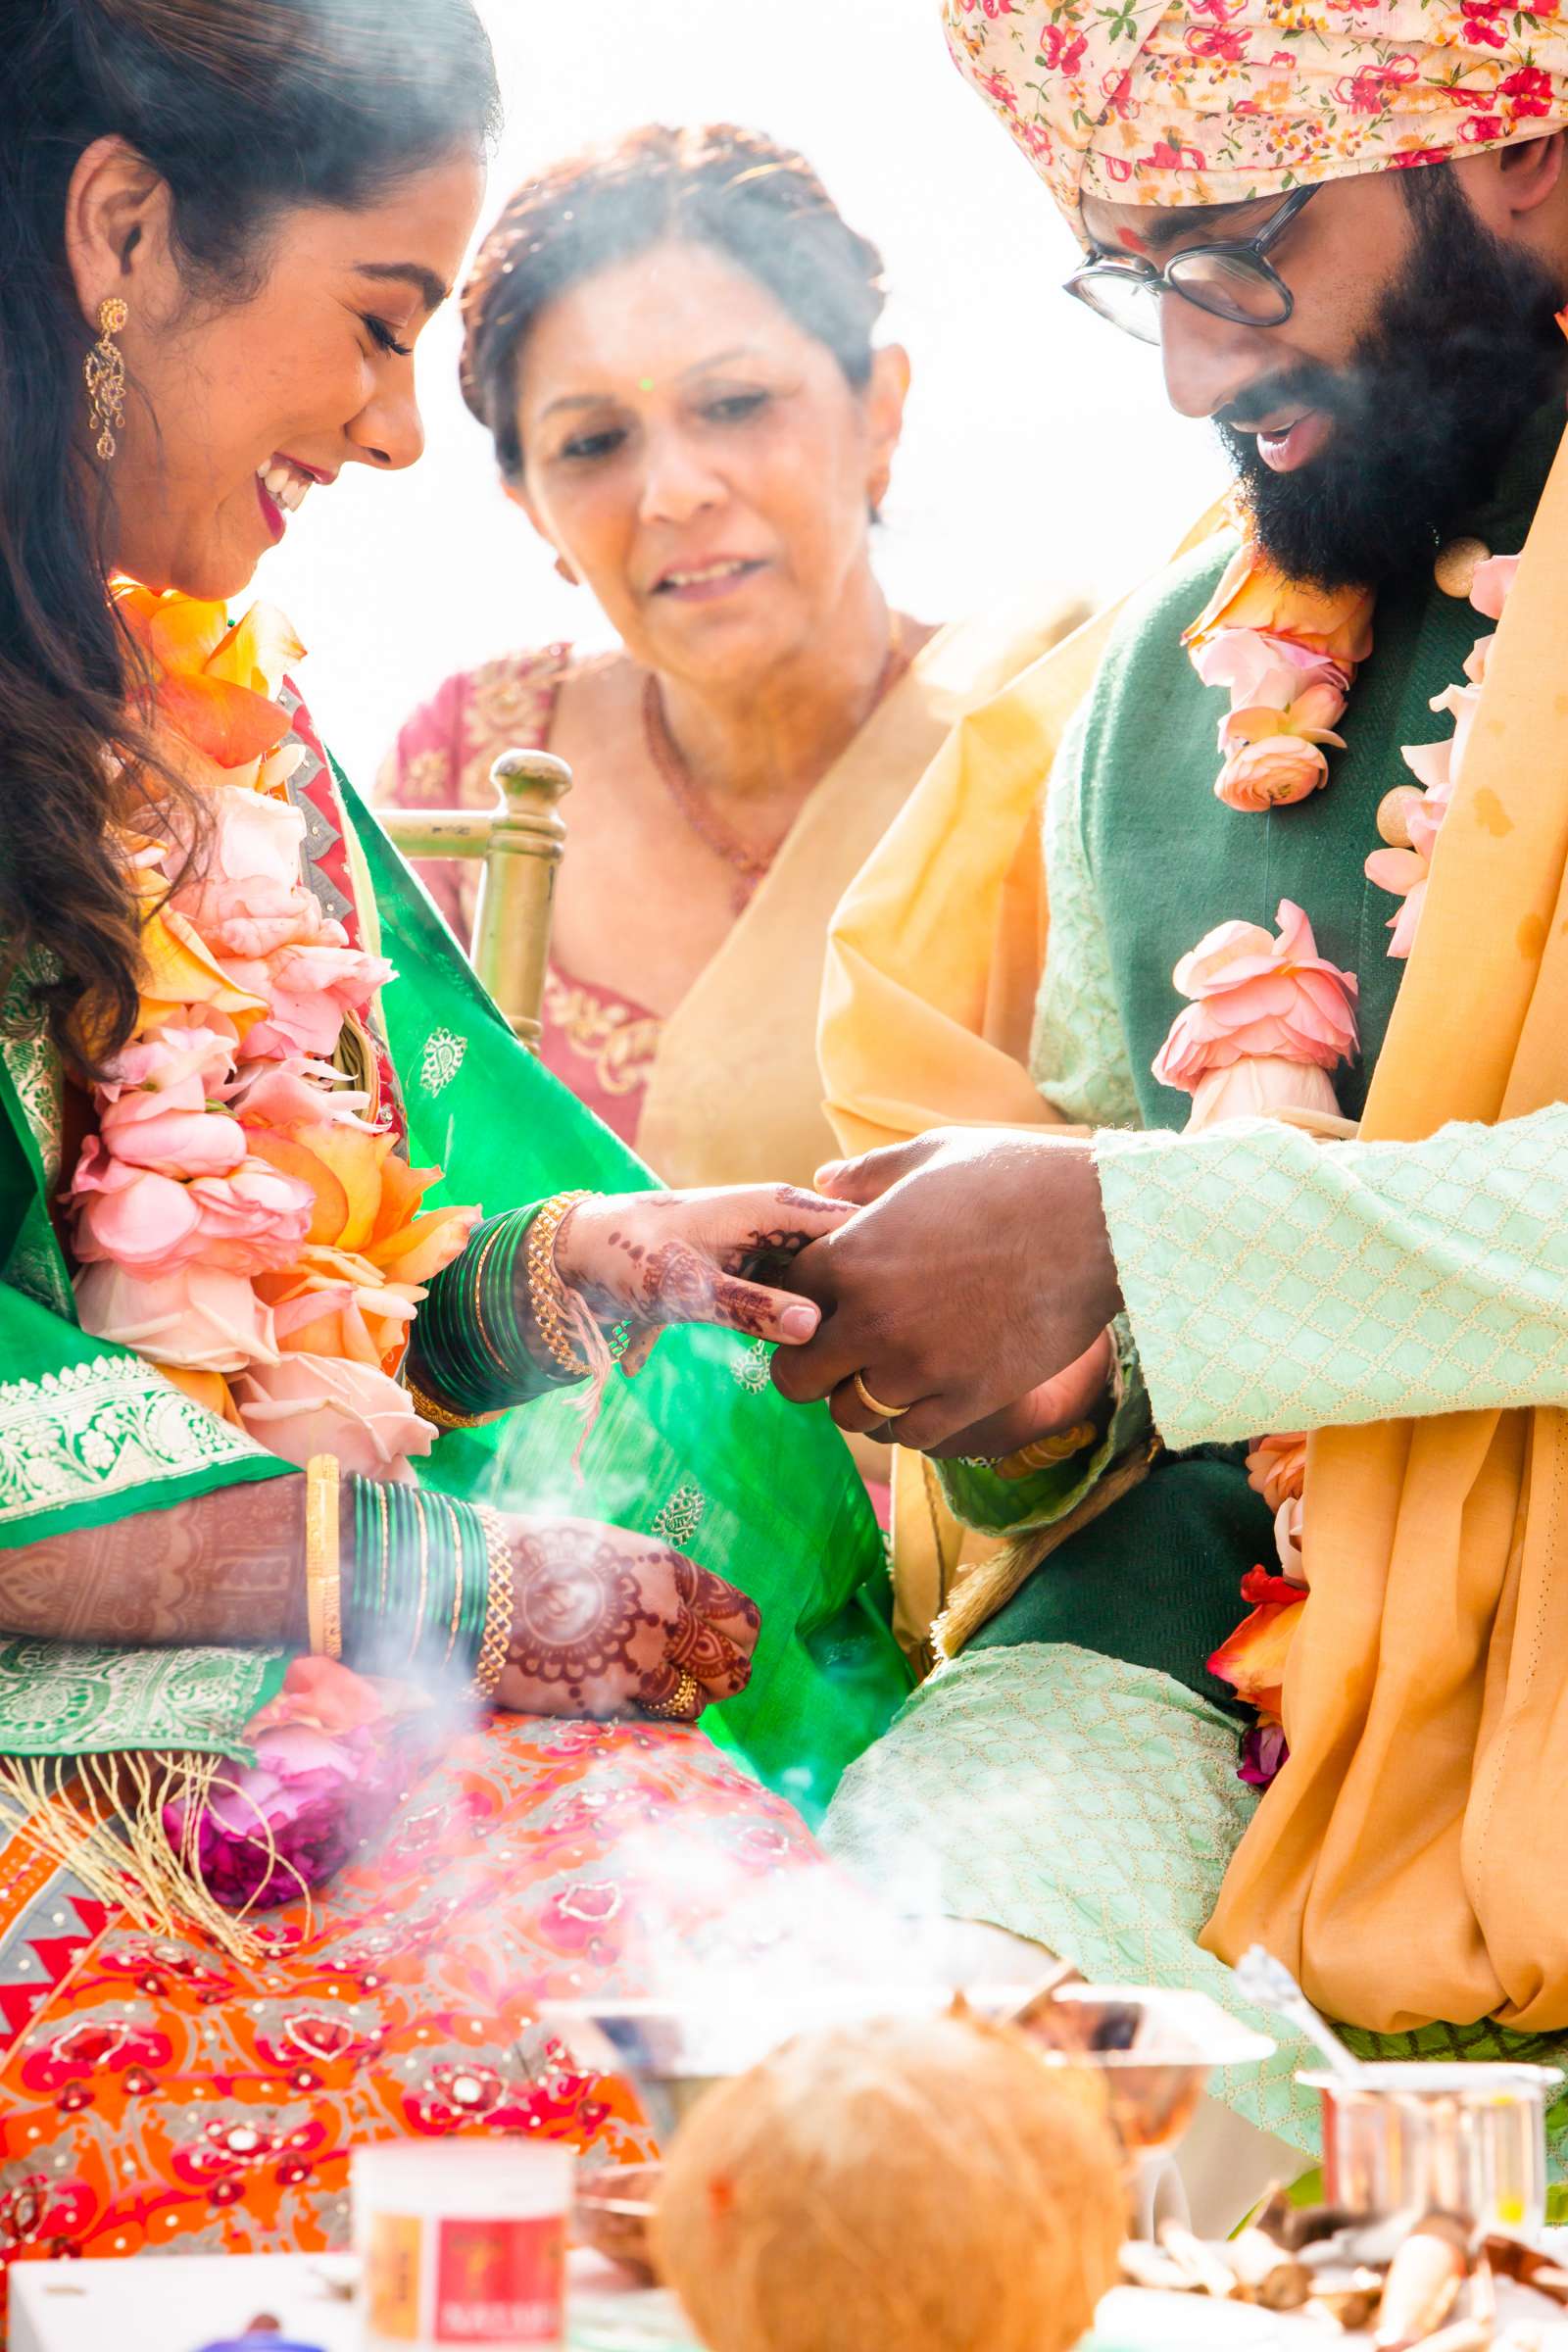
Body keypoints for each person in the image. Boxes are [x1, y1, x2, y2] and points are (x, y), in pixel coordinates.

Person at [0, 0, 910, 2297]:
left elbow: (290, 1273)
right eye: (379, 325)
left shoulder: (214, 722)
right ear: (120, 233)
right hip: (69, 1758)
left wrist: (585, 1261)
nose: (401, 431)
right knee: (557, 2075)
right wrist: (438, 1585)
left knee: (774, 2001)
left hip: (266, 1685)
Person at [781, 0, 1568, 2177]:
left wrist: (1127, 1232)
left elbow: (1164, 1221)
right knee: (920, 1996)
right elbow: (1145, 1382)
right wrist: (1040, 1393)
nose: (1192, 373)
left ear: (1510, 145)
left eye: (1238, 253)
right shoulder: (1161, 678)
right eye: (1141, 272)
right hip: (1226, 1656)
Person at [375, 122, 1079, 1191]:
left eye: (736, 404)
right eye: (592, 443)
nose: (675, 492)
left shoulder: (1054, 735)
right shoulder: (470, 770)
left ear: (878, 413)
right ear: (531, 510)